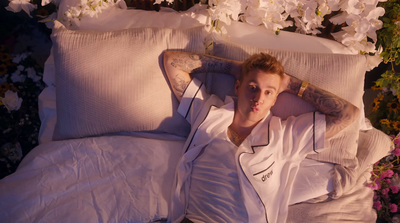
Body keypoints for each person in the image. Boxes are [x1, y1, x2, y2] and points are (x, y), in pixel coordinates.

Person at [162, 50, 360, 223]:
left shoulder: (286, 137)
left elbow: (348, 114)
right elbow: (172, 61)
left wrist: (291, 84)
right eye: (253, 87)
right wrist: (234, 68)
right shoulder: (208, 113)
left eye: (268, 92)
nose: (258, 98)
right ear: (238, 87)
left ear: (275, 99)